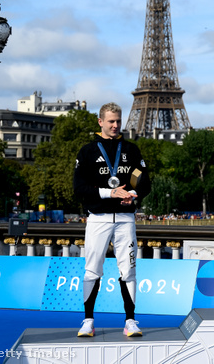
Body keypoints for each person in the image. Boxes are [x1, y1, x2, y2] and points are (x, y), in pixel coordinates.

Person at [73, 102, 151, 337]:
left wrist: (133, 195)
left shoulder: (132, 149)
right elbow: (79, 188)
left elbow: (145, 181)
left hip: (126, 218)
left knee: (129, 270)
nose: (116, 125)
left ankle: (130, 321)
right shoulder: (87, 151)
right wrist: (111, 193)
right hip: (98, 218)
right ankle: (88, 320)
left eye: (118, 121)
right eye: (111, 121)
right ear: (100, 122)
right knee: (92, 270)